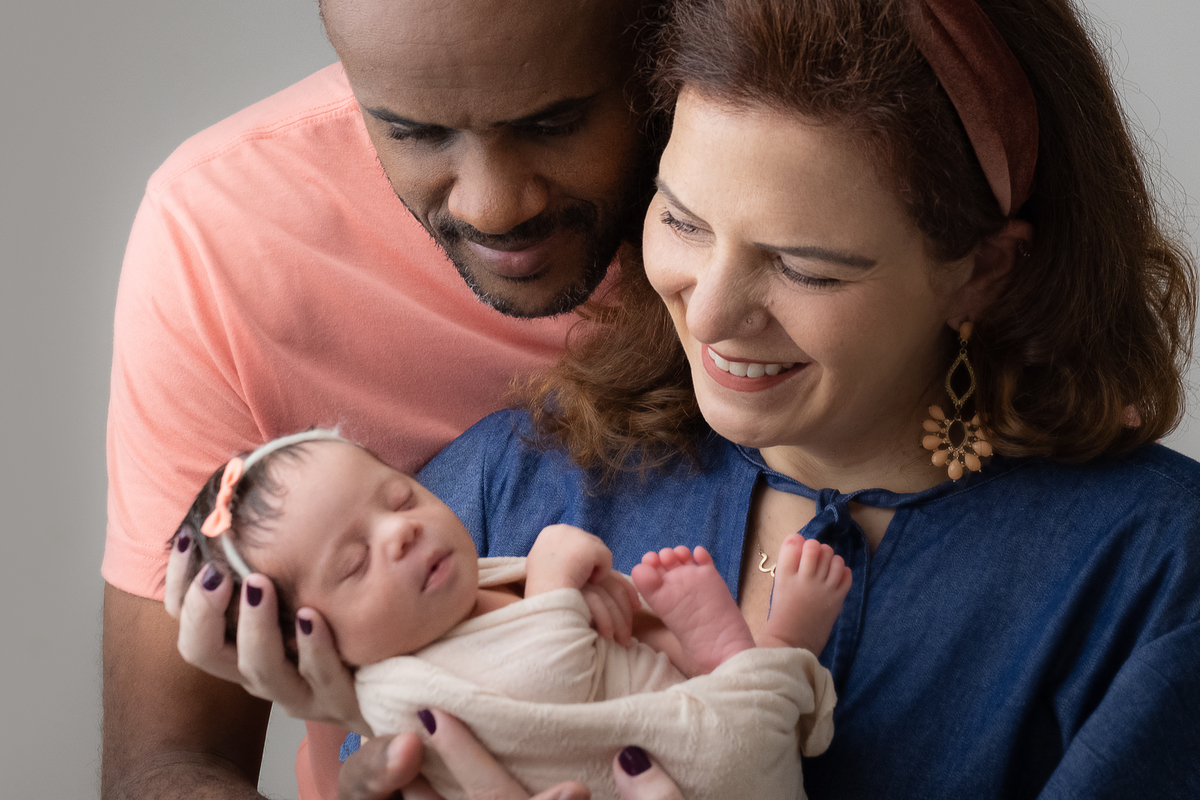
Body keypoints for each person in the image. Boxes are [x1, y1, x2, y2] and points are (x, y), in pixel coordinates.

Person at [176, 0, 1200, 797]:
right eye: (682, 219)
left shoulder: (1154, 579)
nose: (709, 312)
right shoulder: (497, 482)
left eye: (807, 266)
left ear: (984, 273)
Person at [100, 0, 674, 797]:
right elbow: (168, 763)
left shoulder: (785, 147)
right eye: (412, 132)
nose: (493, 207)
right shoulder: (223, 240)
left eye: (554, 123)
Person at [174, 428, 845, 799]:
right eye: (352, 564)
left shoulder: (467, 593)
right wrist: (557, 567)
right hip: (706, 775)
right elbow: (548, 679)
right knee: (743, 730)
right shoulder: (396, 695)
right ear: (306, 644)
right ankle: (782, 646)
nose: (400, 532)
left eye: (401, 497)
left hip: (659, 720)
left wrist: (586, 597)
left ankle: (735, 652)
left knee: (670, 654)